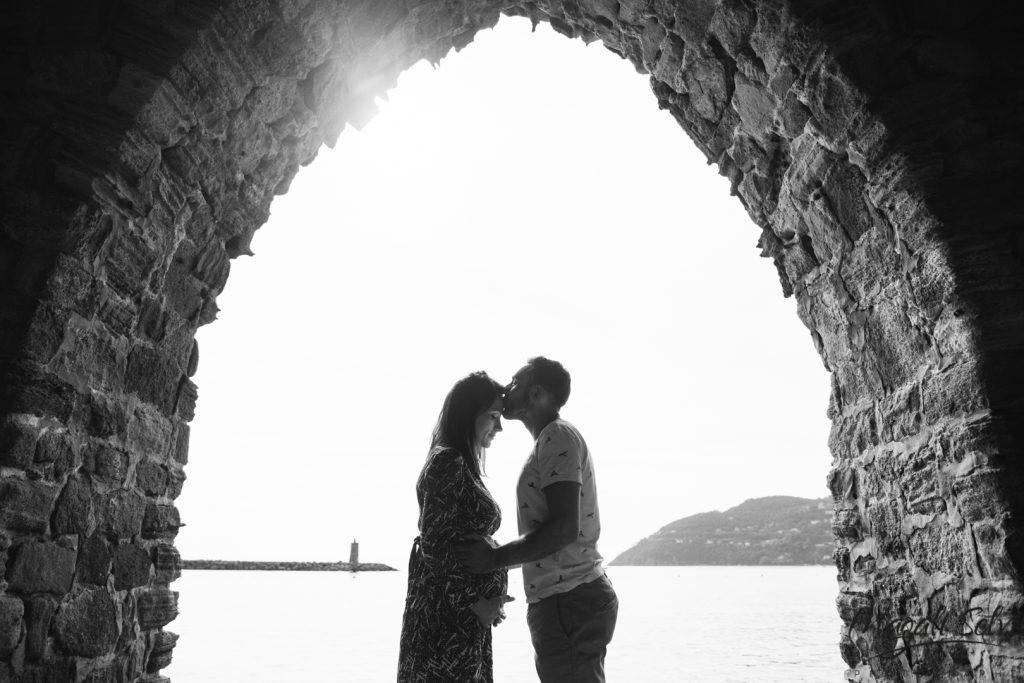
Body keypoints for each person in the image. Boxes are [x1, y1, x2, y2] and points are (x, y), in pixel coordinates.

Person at [456, 357, 617, 683]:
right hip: (567, 598)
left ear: (537, 393)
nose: (507, 389)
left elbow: (562, 529)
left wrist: (493, 559)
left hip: (569, 598)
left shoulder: (557, 437)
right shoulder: (551, 440)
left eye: (516, 382)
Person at [398, 371, 515, 683]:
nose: (499, 426)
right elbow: (433, 544)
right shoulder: (448, 460)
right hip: (446, 623)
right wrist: (476, 602)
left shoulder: (460, 462)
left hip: (461, 620)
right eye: (493, 415)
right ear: (468, 415)